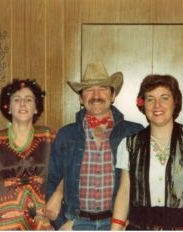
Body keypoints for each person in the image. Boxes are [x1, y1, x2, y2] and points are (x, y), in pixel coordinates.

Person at [111, 74, 183, 230]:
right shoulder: (129, 145)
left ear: (175, 102)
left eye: (164, 98)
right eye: (150, 99)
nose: (157, 105)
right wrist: (115, 229)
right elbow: (124, 192)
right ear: (143, 105)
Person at [46, 61, 144, 230]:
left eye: (103, 89)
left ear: (113, 96)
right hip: (76, 224)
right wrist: (61, 223)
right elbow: (51, 181)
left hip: (118, 224)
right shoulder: (65, 135)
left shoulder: (133, 132)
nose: (96, 95)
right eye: (89, 90)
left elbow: (144, 184)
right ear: (81, 98)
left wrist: (131, 222)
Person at [0, 79, 55, 230]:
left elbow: (63, 175)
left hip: (41, 221)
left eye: (28, 100)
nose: (22, 104)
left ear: (36, 108)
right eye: (16, 99)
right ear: (8, 107)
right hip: (2, 222)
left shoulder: (50, 138)